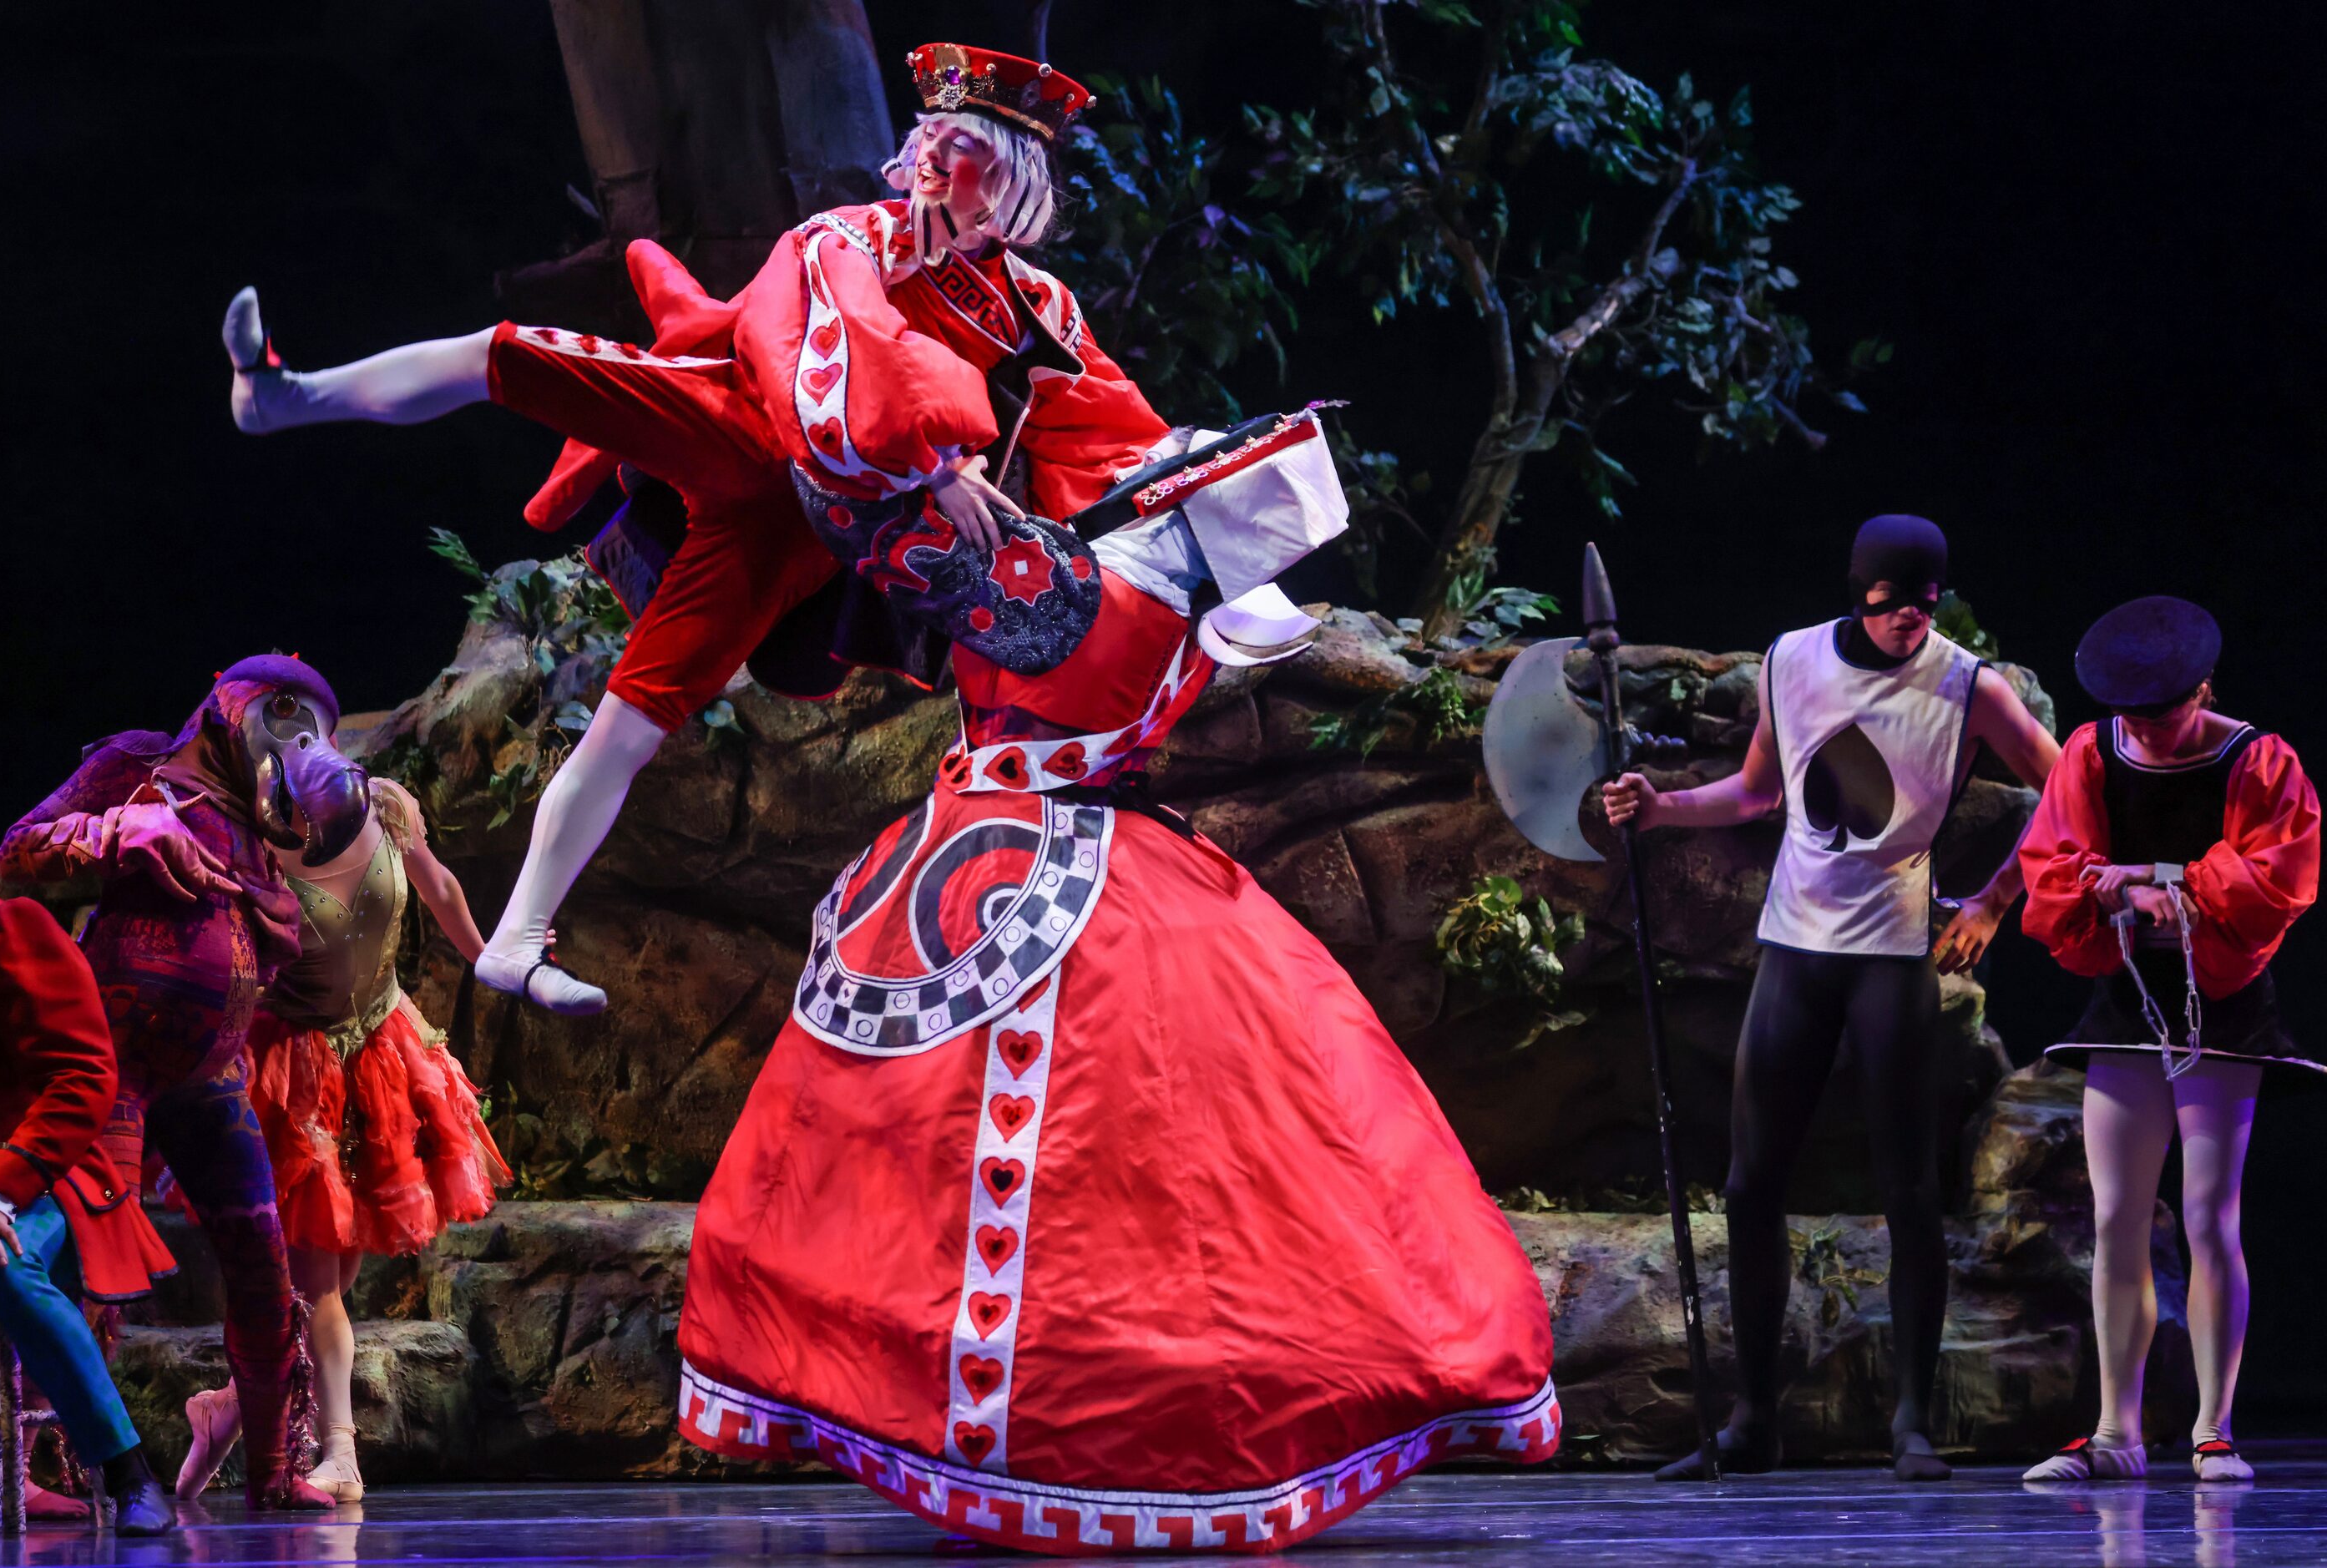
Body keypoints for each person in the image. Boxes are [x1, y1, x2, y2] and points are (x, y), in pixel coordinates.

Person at [669, 353, 1558, 1552]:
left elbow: (872, 519)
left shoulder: (1081, 594)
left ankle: (1022, 1421)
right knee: (1193, 1160)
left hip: (1013, 863)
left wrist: (879, 435)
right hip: (1094, 866)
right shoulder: (1178, 606)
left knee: (998, 1160)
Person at [215, 40, 1166, 1019]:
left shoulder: (1035, 306)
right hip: (732, 429)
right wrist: (936, 459)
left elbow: (1106, 427)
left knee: (633, 721)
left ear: (1008, 177)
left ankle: (516, 940)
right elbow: (831, 343)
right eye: (928, 136)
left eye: (960, 146)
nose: (932, 157)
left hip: (790, 539)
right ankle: (285, 395)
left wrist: (1186, 505)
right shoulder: (848, 236)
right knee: (513, 354)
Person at [1603, 514, 2061, 1482]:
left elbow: (2066, 795)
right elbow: (1758, 793)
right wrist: (1661, 808)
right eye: (1893, 606)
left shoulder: (1965, 683)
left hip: (1891, 960)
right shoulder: (1793, 659)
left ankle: (1909, 1426)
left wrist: (1993, 900)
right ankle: (1752, 1422)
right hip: (1794, 953)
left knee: (1908, 1194)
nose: (1909, 624)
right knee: (1748, 1186)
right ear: (1861, 594)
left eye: (1925, 606)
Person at [0, 656, 373, 1512]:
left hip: (212, 1076)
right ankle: (36, 1470)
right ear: (230, 705)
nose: (295, 735)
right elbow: (16, 849)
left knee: (262, 1267)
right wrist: (116, 833)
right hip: (112, 1073)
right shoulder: (136, 769)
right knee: (84, 1265)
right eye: (285, 714)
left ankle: (274, 1473)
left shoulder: (260, 825)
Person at [2016, 597, 2318, 1485]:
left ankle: (2212, 1428)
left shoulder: (2257, 759)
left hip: (2218, 1008)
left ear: (2202, 689)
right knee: (2114, 1218)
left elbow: (2277, 879)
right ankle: (2116, 1434)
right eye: (2131, 721)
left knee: (2206, 1217)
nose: (2143, 736)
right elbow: (2053, 871)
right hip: (2126, 999)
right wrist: (2115, 893)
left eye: (2161, 716)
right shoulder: (2090, 751)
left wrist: (2152, 879)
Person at [176, 776, 511, 1503]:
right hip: (294, 1069)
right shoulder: (250, 841)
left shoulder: (385, 803)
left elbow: (440, 887)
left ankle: (229, 1410)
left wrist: (490, 958)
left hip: (381, 1053)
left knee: (334, 1273)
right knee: (318, 1282)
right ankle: (340, 1453)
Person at [0, 888, 180, 1535]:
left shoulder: (13, 930)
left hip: (45, 1180)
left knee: (2, 1261)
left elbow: (84, 1076)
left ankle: (128, 1471)